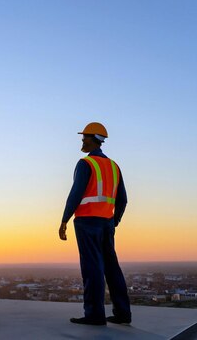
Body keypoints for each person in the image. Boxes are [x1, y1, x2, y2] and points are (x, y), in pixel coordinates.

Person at [59, 122, 131, 326]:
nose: (82, 141)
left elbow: (75, 194)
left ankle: (94, 315)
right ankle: (123, 314)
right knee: (112, 268)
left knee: (93, 269)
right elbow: (123, 199)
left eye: (84, 138)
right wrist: (114, 221)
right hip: (106, 224)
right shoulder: (114, 166)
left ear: (94, 139)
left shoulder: (86, 164)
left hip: (87, 222)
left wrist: (64, 220)